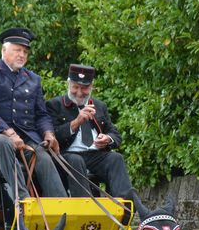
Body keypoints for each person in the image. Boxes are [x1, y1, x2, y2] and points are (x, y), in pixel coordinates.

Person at [0, 27, 67, 201]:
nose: (22, 55)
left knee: (43, 157)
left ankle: (61, 206)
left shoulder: (33, 79)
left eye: (25, 51)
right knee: (3, 143)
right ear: (4, 50)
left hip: (27, 134)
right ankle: (23, 200)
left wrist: (49, 133)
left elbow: (41, 114)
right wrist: (9, 133)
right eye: (17, 50)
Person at [46, 64, 134, 199]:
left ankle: (123, 208)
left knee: (116, 159)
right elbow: (53, 136)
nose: (80, 93)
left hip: (95, 155)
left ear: (91, 86)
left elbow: (115, 135)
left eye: (85, 88)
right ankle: (84, 208)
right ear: (69, 84)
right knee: (76, 160)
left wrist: (107, 139)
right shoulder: (54, 105)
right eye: (76, 87)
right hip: (67, 155)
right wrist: (76, 122)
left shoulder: (100, 106)